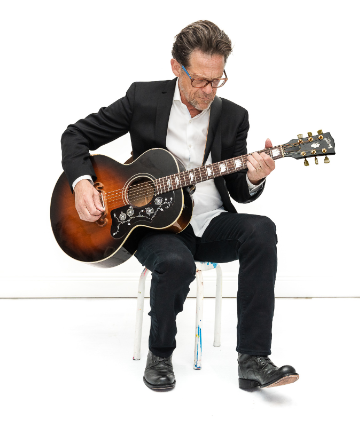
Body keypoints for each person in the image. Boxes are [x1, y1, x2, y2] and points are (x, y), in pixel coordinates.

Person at [60, 20, 298, 391]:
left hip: (210, 221)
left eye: (217, 80)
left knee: (262, 230)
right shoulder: (142, 98)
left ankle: (253, 360)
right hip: (152, 223)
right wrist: (82, 183)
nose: (209, 90)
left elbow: (238, 188)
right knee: (174, 262)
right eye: (200, 80)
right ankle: (160, 353)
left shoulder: (234, 116)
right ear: (176, 67)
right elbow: (76, 135)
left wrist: (255, 177)